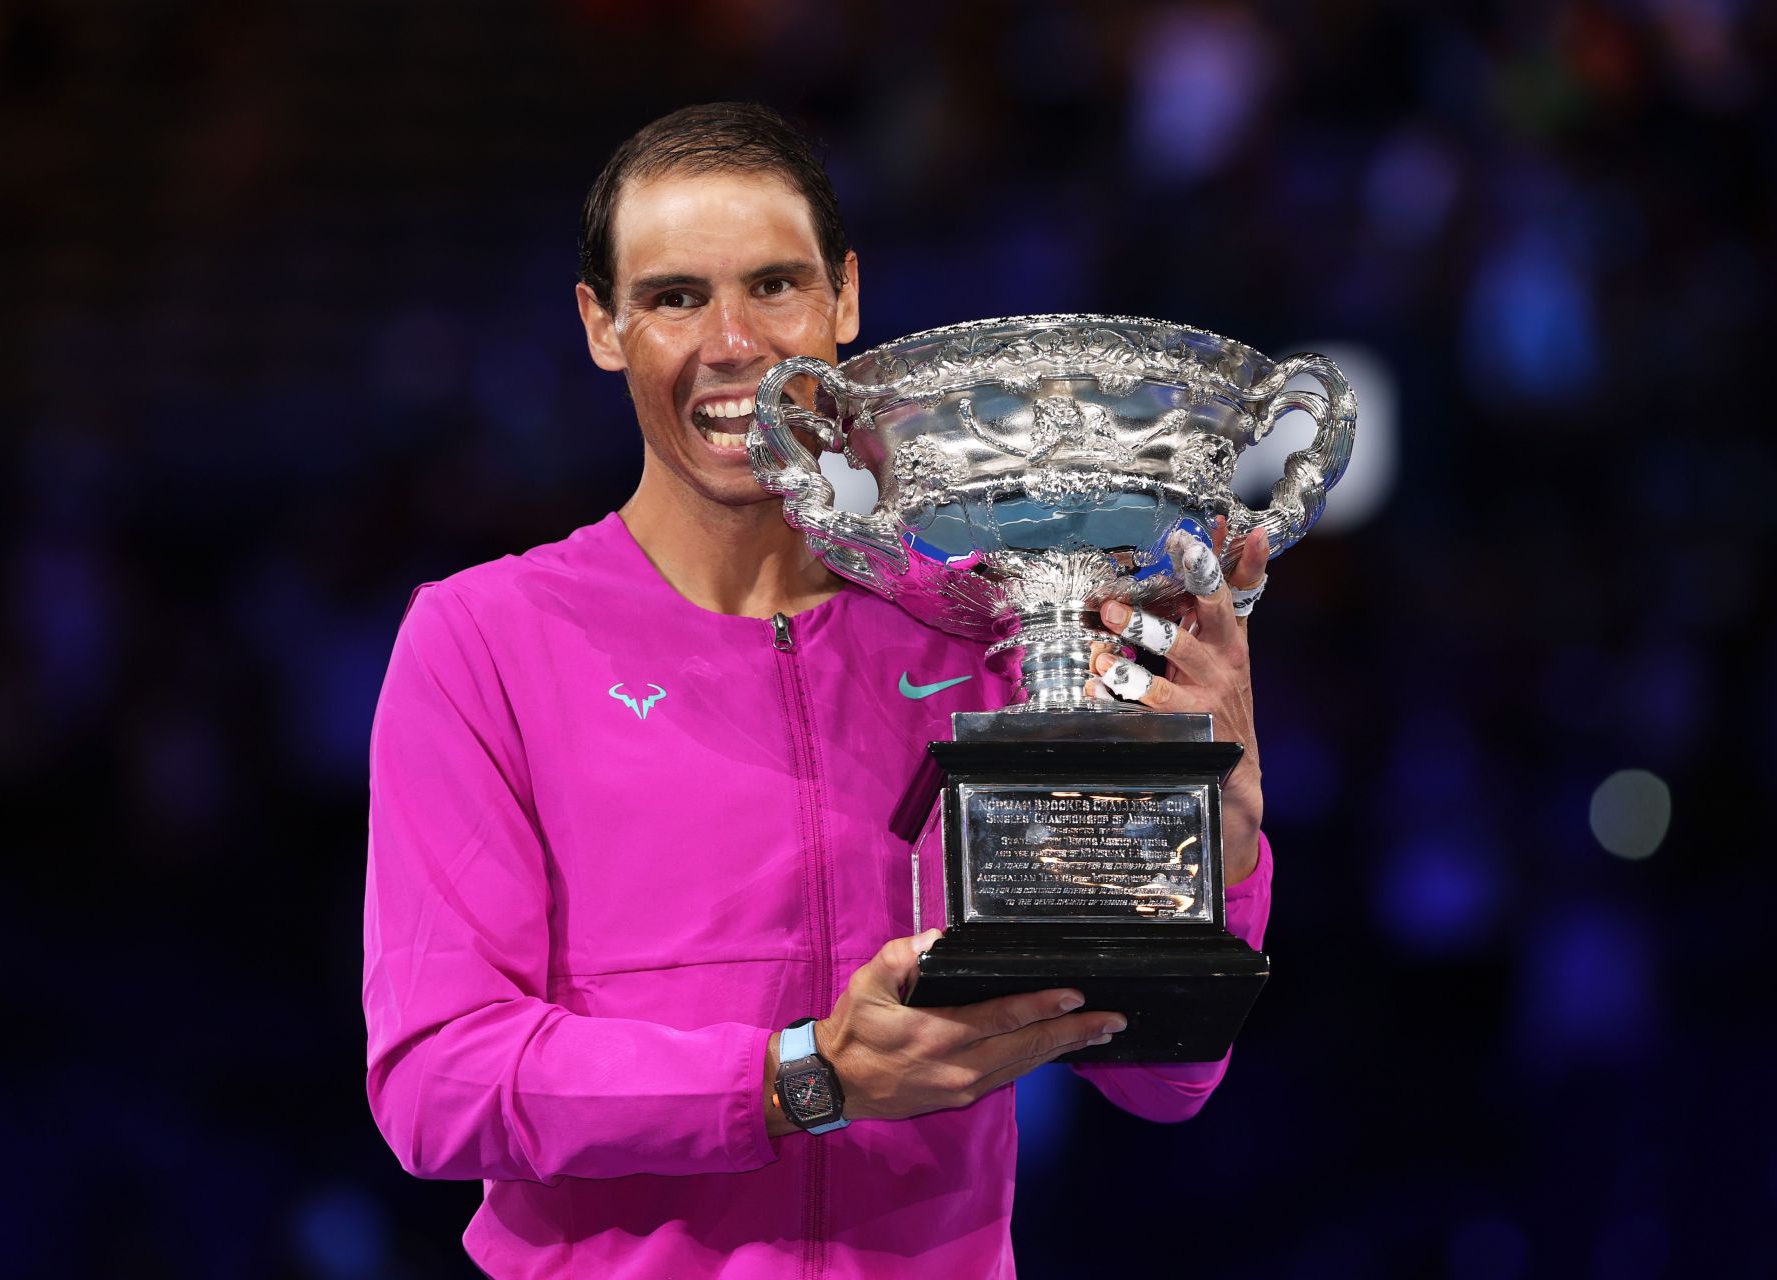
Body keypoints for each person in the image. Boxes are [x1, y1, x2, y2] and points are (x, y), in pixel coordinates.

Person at [362, 102, 1274, 1279]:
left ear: (845, 300)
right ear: (603, 324)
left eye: (776, 285)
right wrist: (803, 1076)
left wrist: (1220, 837)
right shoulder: (482, 638)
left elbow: (1162, 1075)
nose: (733, 341)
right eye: (675, 296)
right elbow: (440, 1084)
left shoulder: (987, 624)